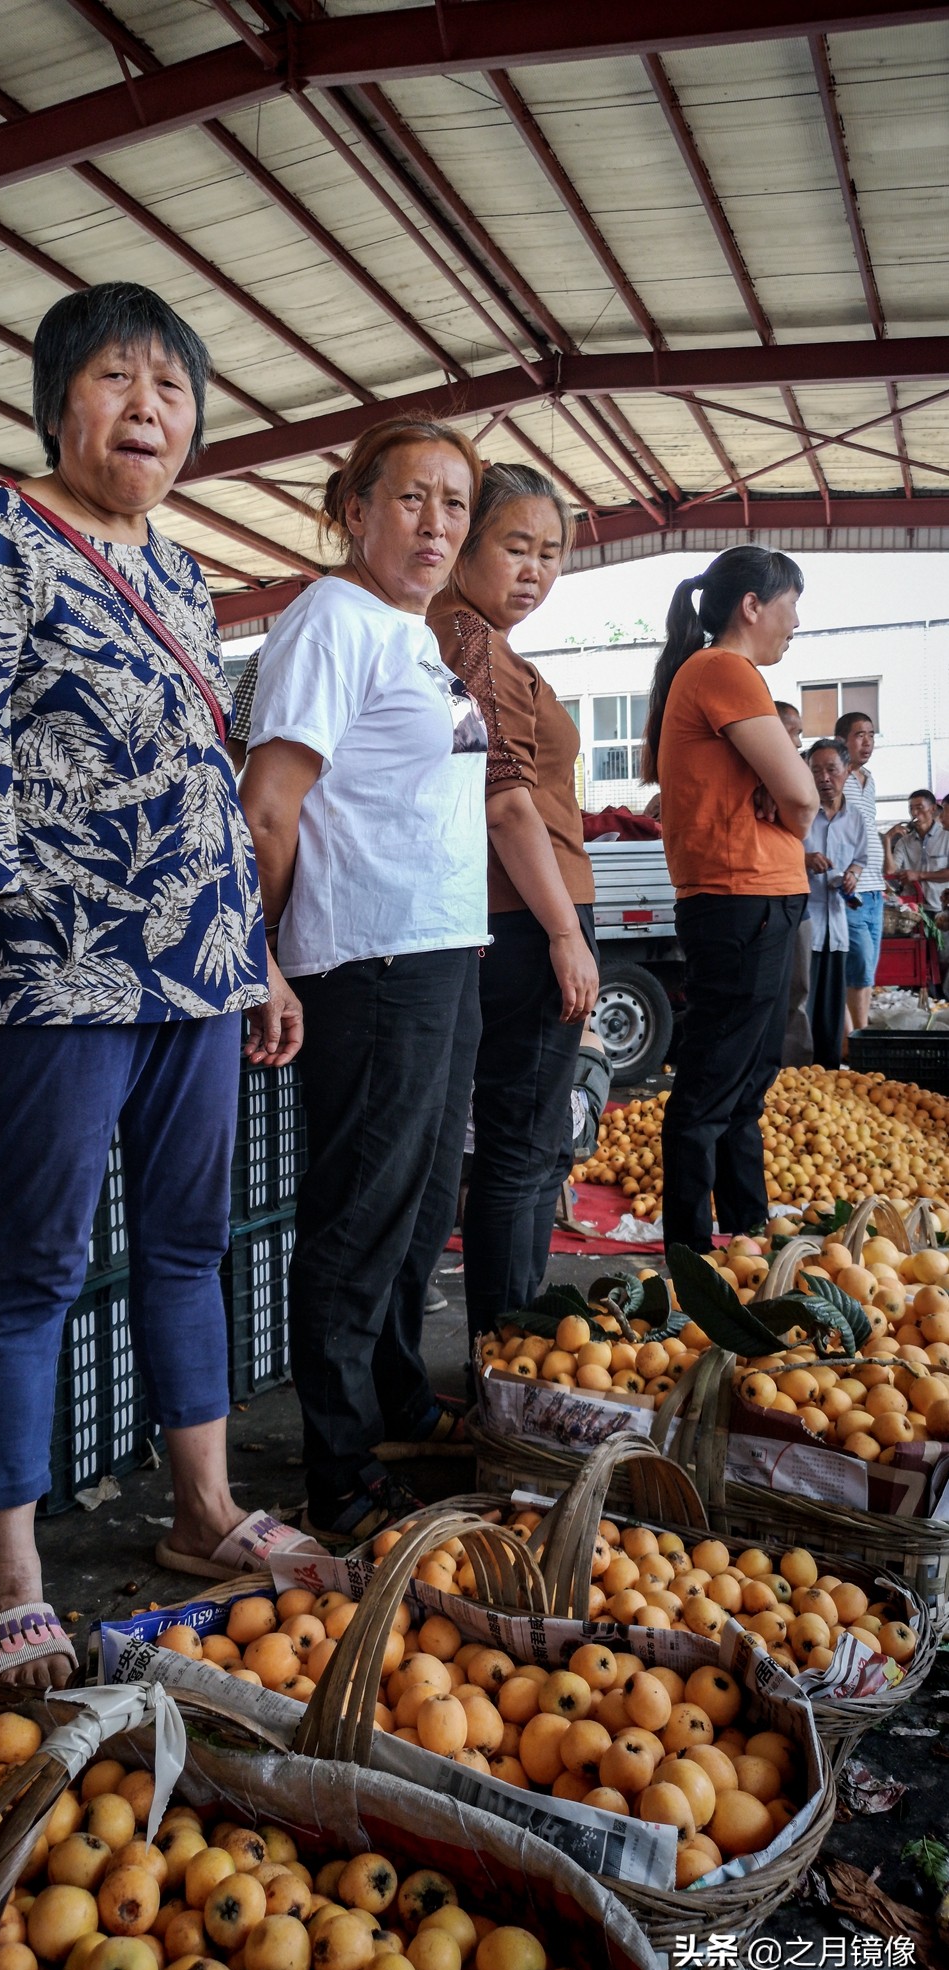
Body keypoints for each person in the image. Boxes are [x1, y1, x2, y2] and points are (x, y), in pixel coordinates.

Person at [0, 283, 310, 1689]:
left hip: (194, 969)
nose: (149, 409)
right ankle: (7, 1573)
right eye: (118, 381)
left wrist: (250, 956)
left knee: (188, 1247)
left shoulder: (182, 574)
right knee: (37, 1271)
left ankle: (202, 1511)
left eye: (173, 389)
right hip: (57, 973)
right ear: (57, 401)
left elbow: (205, 783)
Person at [239, 416, 487, 1545]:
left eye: (454, 503)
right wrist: (271, 951)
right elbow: (269, 806)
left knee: (418, 1201)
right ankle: (336, 1466)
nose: (436, 524)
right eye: (410, 499)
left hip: (437, 947)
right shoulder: (331, 621)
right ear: (352, 508)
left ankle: (392, 1403)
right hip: (368, 956)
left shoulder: (409, 632)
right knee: (356, 1213)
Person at [427, 464, 600, 1328]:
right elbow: (505, 803)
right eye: (514, 547)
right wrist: (566, 933)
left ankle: (520, 1337)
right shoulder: (469, 640)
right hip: (528, 919)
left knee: (522, 1142)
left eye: (550, 553)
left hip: (523, 916)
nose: (533, 570)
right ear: (463, 545)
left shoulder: (475, 637)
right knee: (519, 1145)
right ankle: (509, 1350)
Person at [642, 548, 816, 1251]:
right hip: (741, 900)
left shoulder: (714, 672)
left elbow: (789, 791)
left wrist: (782, 803)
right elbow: (801, 794)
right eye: (789, 606)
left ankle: (746, 1233)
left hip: (755, 900)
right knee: (714, 1084)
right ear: (751, 605)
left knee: (743, 1082)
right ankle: (688, 1252)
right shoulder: (723, 669)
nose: (794, 623)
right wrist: (788, 808)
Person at [803, 739, 867, 1069]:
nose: (824, 777)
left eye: (831, 770)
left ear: (846, 772)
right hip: (805, 924)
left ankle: (827, 1072)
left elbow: (860, 858)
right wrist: (805, 859)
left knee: (831, 1003)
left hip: (837, 925)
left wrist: (853, 875)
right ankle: (798, 1070)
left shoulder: (855, 819)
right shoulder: (799, 814)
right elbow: (780, 856)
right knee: (803, 1004)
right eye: (816, 770)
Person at [835, 711, 883, 1037]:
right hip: (850, 890)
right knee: (860, 968)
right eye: (859, 735)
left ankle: (851, 1042)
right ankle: (859, 1042)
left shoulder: (869, 779)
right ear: (842, 740)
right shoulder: (836, 778)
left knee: (866, 972)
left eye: (870, 734)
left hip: (876, 888)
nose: (866, 741)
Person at [775, 700, 814, 1067]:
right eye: (795, 732)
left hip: (796, 897)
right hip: (768, 897)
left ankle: (797, 1070)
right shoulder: (765, 769)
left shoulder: (795, 770)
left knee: (797, 989)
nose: (800, 742)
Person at [884, 790, 949, 894]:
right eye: (911, 809)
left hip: (941, 905)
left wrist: (918, 875)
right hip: (912, 907)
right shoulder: (904, 841)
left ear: (933, 809)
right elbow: (890, 871)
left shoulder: (946, 836)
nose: (914, 813)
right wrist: (887, 838)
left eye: (919, 807)